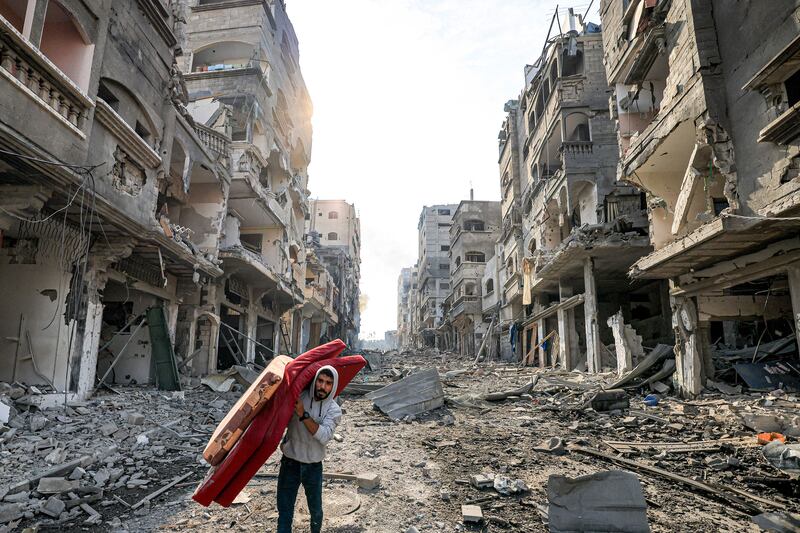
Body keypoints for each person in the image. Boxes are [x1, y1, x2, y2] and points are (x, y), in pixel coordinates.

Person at [277, 366, 341, 532]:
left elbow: (324, 436)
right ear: (315, 381)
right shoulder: (299, 397)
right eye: (320, 381)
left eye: (328, 383)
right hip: (290, 463)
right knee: (284, 513)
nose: (322, 386)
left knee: (316, 512)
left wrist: (303, 414)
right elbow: (279, 419)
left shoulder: (334, 410)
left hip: (313, 466)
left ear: (333, 386)